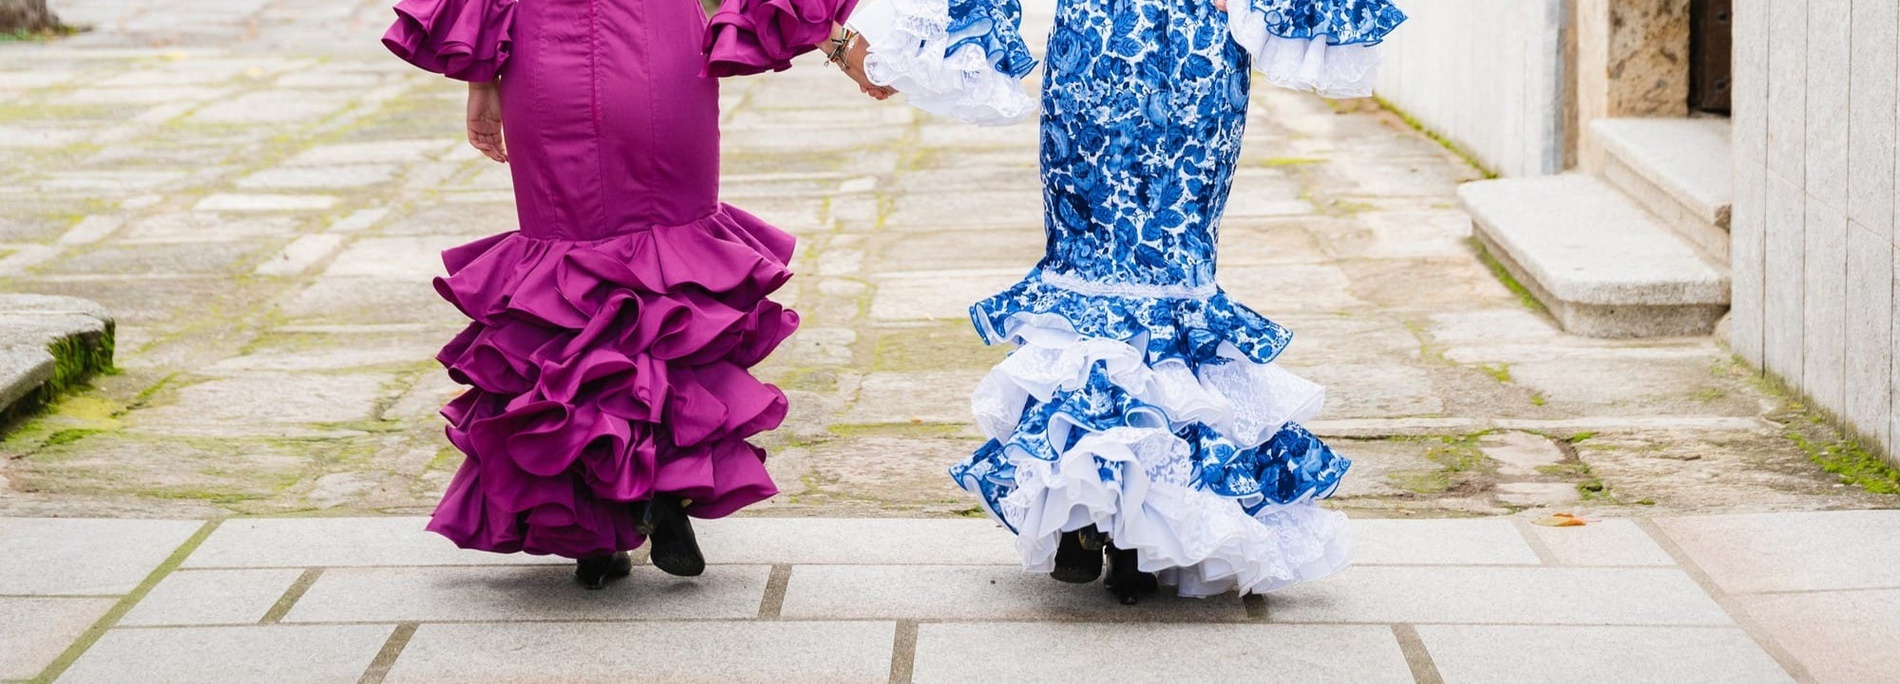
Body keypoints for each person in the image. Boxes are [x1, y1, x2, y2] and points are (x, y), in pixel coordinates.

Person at [848, 0, 1405, 603]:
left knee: (1118, 271)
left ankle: (1103, 512)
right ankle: (1120, 517)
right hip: (1161, 55)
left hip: (1146, 52)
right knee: (1127, 271)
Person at [380, 0, 884, 589]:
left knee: (564, 282)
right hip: (658, 53)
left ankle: (591, 522)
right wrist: (834, 39)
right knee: (670, 276)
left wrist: (480, 77)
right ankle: (663, 491)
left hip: (544, 65)